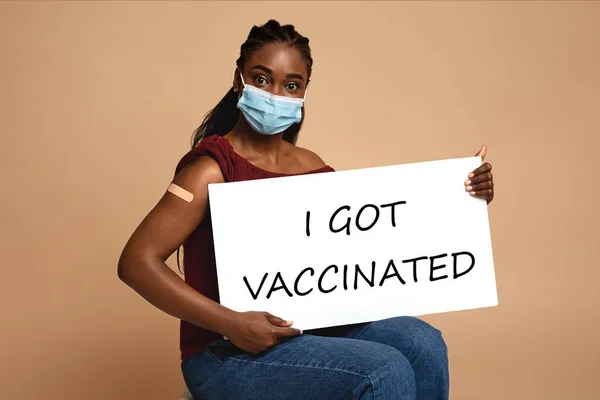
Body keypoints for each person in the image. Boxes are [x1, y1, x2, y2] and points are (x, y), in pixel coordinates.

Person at [118, 19, 495, 400]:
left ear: (303, 95)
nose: (275, 94)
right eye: (262, 79)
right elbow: (137, 261)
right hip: (224, 351)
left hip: (307, 329)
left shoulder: (312, 167)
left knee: (424, 343)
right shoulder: (209, 171)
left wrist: (462, 196)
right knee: (383, 369)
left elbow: (363, 248)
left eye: (291, 85)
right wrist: (232, 323)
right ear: (239, 81)